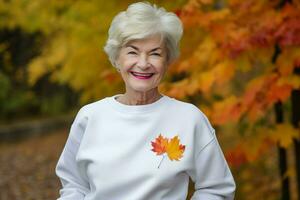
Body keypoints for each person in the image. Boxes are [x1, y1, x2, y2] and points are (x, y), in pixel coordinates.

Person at [55, 1, 236, 200]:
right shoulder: (90, 117)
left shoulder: (189, 119)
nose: (143, 64)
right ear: (117, 59)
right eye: (132, 52)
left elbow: (217, 188)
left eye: (155, 53)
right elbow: (74, 185)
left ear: (167, 61)